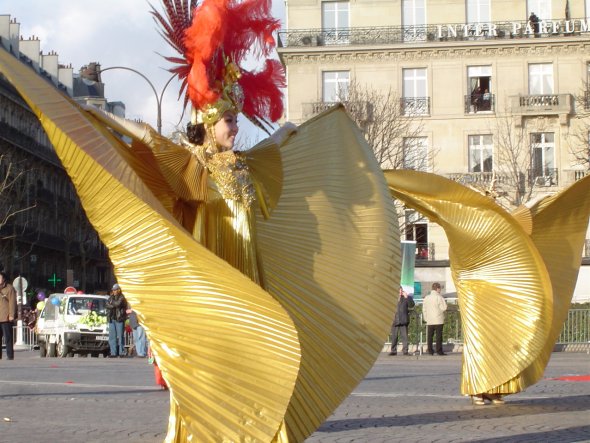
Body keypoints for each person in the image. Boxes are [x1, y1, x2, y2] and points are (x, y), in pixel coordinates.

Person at [422, 282, 447, 356]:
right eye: (440, 289)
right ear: (437, 289)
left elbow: (424, 309)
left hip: (429, 319)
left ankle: (430, 350)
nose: (440, 290)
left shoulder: (427, 298)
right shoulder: (439, 297)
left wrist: (426, 318)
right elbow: (444, 308)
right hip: (438, 319)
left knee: (430, 336)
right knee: (438, 336)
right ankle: (439, 351)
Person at [389, 286, 415, 356]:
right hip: (395, 320)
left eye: (401, 290)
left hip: (403, 320)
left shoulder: (406, 298)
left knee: (405, 336)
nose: (400, 292)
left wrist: (407, 297)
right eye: (399, 291)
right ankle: (393, 351)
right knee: (394, 336)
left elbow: (411, 305)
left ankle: (405, 350)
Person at [106, 283, 127, 358]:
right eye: (113, 290)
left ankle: (121, 352)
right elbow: (107, 304)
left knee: (120, 336)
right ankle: (113, 352)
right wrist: (113, 304)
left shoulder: (122, 297)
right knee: (112, 337)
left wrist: (112, 304)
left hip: (119, 319)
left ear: (118, 290)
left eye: (115, 290)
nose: (114, 291)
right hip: (112, 318)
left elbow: (118, 304)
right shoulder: (111, 297)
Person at [0, 271, 17, 360]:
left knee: (8, 338)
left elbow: (12, 303)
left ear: (4, 279)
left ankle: (10, 355)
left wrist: (11, 315)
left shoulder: (9, 288)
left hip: (6, 317)